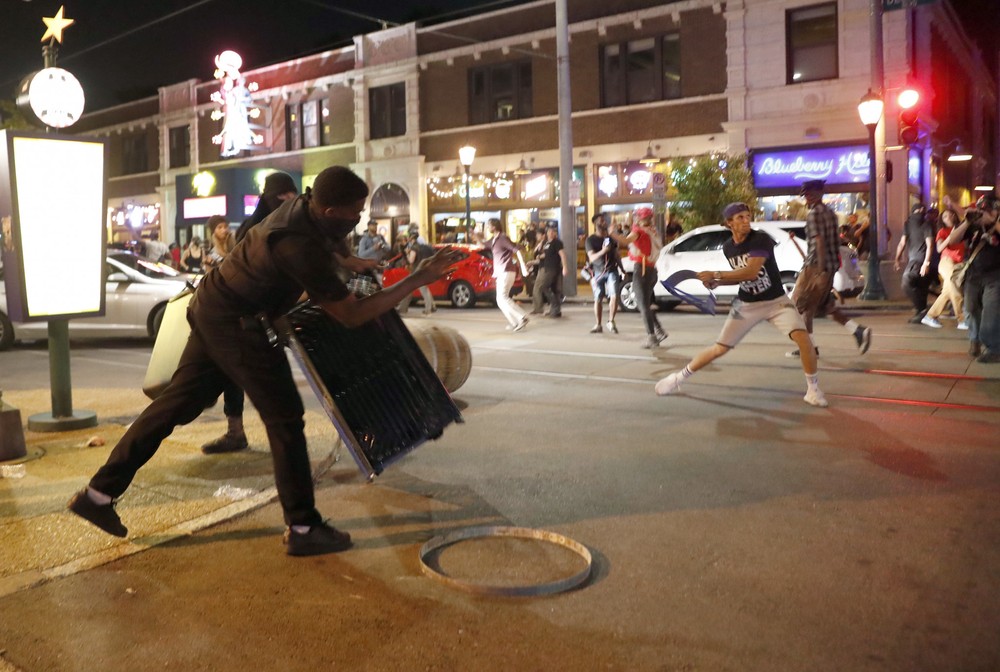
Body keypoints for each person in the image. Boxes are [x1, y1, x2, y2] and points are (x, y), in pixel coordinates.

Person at [67, 166, 464, 556]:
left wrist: (348, 263)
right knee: (285, 418)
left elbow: (326, 245)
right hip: (238, 324)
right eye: (354, 212)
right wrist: (416, 279)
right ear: (329, 211)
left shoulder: (300, 209)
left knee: (178, 403)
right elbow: (351, 315)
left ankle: (98, 495)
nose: (359, 218)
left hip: (214, 306)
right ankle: (303, 526)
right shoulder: (299, 245)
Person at [654, 202, 828, 407]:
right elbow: (741, 277)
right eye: (740, 218)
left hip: (776, 302)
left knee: (804, 340)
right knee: (719, 348)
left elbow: (751, 271)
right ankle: (677, 378)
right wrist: (717, 282)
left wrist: (716, 274)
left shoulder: (760, 239)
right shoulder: (729, 248)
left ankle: (813, 390)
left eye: (748, 216)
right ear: (729, 223)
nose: (746, 221)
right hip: (747, 304)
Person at [201, 173, 299, 455]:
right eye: (283, 197)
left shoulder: (269, 227)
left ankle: (240, 431)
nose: (287, 202)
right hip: (243, 318)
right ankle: (238, 430)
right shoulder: (254, 229)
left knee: (244, 377)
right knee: (237, 376)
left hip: (260, 318)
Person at [790, 180, 872, 356]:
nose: (807, 198)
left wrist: (819, 269)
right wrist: (829, 269)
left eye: (810, 194)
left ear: (819, 194)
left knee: (799, 304)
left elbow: (819, 242)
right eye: (805, 195)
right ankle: (857, 331)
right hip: (829, 267)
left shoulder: (813, 215)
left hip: (815, 267)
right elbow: (834, 242)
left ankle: (809, 348)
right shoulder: (830, 213)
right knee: (823, 306)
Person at [939, 192, 1000, 362]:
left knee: (991, 310)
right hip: (973, 274)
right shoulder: (974, 225)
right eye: (982, 210)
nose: (984, 213)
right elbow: (952, 239)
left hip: (995, 276)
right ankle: (975, 340)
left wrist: (993, 223)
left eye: (989, 210)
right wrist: (967, 221)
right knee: (970, 308)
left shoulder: (997, 223)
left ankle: (994, 348)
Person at [612, 206, 665, 348]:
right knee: (645, 303)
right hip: (652, 270)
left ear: (641, 218)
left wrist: (613, 233)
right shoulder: (654, 231)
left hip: (641, 269)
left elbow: (625, 241)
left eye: (637, 216)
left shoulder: (639, 231)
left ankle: (652, 336)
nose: (635, 218)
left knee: (642, 304)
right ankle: (658, 330)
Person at [921, 208, 967, 330]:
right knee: (954, 287)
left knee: (948, 291)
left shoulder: (962, 230)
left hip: (959, 263)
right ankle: (961, 319)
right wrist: (950, 237)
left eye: (950, 214)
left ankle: (930, 316)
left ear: (954, 215)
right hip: (947, 262)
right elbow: (939, 248)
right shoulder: (942, 231)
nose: (948, 217)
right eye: (945, 216)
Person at [484, 218, 528, 332]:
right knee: (500, 300)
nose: (487, 227)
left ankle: (522, 317)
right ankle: (514, 322)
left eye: (489, 225)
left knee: (503, 297)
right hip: (501, 272)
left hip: (506, 271)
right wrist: (475, 235)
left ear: (494, 226)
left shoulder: (502, 238)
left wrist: (523, 265)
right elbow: (483, 245)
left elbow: (516, 249)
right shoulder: (494, 240)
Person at [894, 203, 935, 323]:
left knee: (908, 282)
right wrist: (926, 263)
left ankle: (921, 310)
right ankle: (921, 313)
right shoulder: (925, 223)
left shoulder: (913, 223)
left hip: (918, 261)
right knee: (919, 286)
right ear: (921, 210)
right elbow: (929, 244)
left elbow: (902, 243)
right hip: (920, 261)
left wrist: (897, 258)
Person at [235, 171, 298, 242]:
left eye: (293, 194)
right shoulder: (251, 230)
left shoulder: (301, 225)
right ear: (269, 198)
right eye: (283, 194)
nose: (290, 199)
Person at [585, 213, 621, 334]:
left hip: (612, 270)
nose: (604, 222)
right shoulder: (590, 240)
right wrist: (604, 251)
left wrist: (622, 268)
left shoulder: (611, 239)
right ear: (595, 223)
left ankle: (611, 321)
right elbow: (592, 257)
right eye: (601, 221)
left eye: (605, 221)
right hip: (598, 272)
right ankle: (598, 324)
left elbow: (616, 255)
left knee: (615, 295)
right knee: (598, 298)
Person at [531, 222, 567, 317]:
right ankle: (555, 310)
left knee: (543, 286)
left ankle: (554, 304)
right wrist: (539, 257)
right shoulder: (547, 243)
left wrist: (565, 267)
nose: (551, 233)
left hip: (552, 268)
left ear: (555, 233)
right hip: (546, 267)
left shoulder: (557, 242)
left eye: (553, 232)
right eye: (549, 232)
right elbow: (547, 254)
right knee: (553, 289)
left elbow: (562, 254)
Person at [397, 231, 436, 316]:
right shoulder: (420, 246)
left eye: (409, 237)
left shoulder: (414, 248)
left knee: (422, 290)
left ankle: (428, 309)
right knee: (415, 289)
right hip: (420, 270)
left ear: (412, 238)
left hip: (416, 272)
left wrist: (407, 254)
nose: (408, 239)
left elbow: (411, 260)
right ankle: (431, 307)